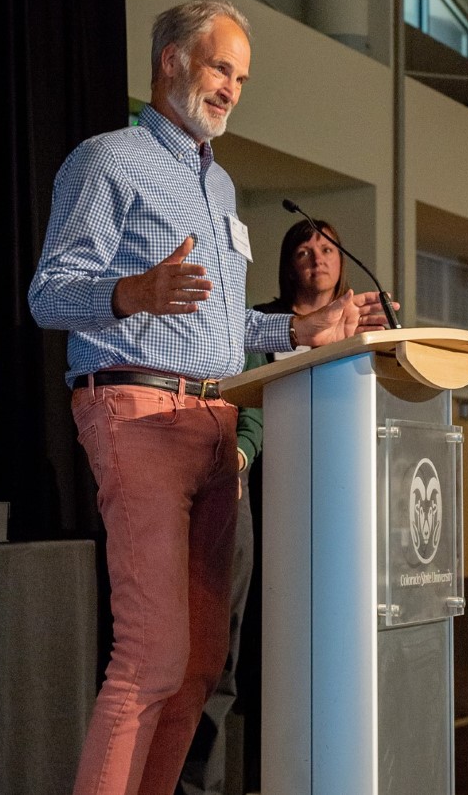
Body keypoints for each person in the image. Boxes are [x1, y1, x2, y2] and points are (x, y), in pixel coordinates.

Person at [28, 0, 390, 795]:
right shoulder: (106, 160)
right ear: (171, 62)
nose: (231, 88)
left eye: (241, 78)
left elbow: (223, 331)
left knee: (199, 665)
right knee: (151, 656)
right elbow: (48, 294)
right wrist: (131, 291)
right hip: (139, 415)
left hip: (218, 424)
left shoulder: (219, 187)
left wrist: (304, 330)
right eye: (221, 68)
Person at [176, 216, 394, 795]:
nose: (317, 258)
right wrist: (242, 457)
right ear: (287, 265)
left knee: (320, 651)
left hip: (338, 512)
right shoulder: (262, 327)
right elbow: (243, 407)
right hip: (257, 500)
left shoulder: (363, 332)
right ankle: (213, 781)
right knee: (233, 652)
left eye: (327, 248)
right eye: (304, 250)